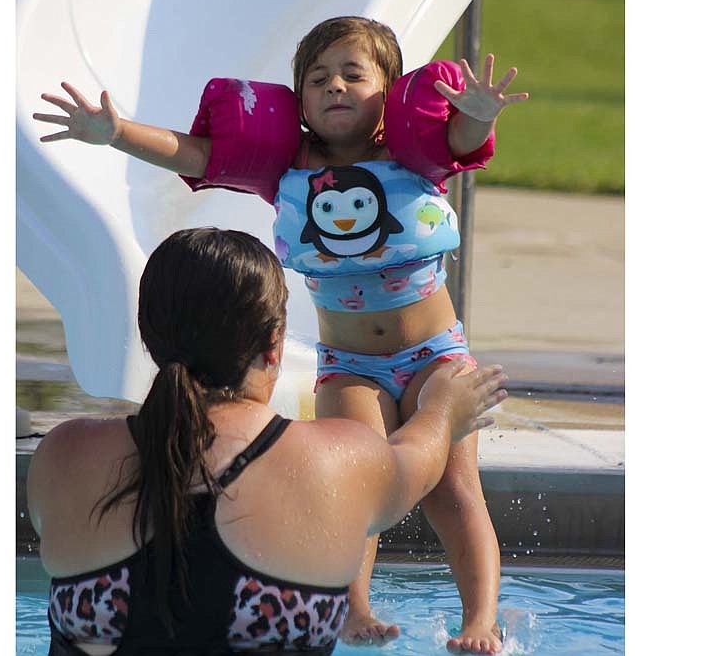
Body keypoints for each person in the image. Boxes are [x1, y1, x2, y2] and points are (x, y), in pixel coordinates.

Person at [34, 16, 528, 654]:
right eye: (318, 78)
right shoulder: (285, 169)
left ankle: (479, 621)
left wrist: (481, 114)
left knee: (456, 492)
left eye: (354, 74)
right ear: (299, 100)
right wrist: (116, 133)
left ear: (390, 89)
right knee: (351, 481)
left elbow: (461, 139)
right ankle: (354, 609)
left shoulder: (412, 154)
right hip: (350, 362)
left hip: (437, 352)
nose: (336, 87)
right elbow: (196, 154)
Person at [27, 227, 510, 655]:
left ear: (148, 336)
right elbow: (416, 464)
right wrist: (444, 410)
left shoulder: (64, 456)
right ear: (274, 345)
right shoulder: (334, 462)